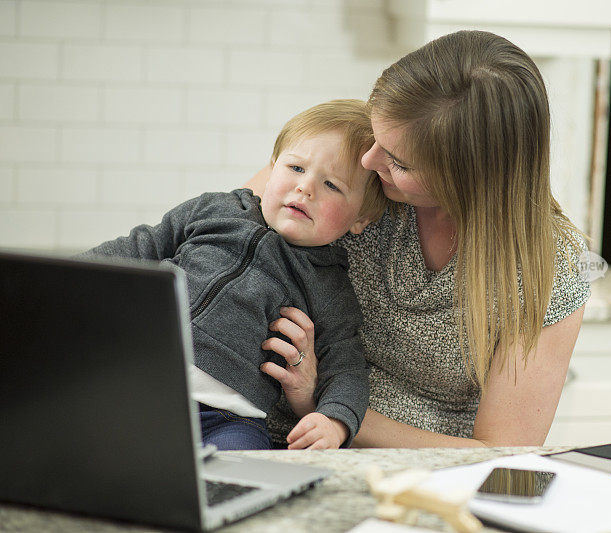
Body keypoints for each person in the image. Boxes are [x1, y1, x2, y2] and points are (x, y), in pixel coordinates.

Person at [245, 30, 591, 449]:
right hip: (263, 436)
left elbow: (504, 453)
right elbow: (221, 246)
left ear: (470, 178)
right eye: (377, 135)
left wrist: (326, 406)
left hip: (418, 480)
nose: (369, 160)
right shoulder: (345, 168)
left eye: (399, 162)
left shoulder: (549, 267)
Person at [82, 100, 386, 451]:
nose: (306, 188)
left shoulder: (330, 286)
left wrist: (334, 421)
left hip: (227, 419)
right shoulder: (216, 208)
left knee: (246, 474)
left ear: (360, 218)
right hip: (137, 378)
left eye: (332, 184)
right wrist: (58, 282)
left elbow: (346, 367)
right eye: (296, 167)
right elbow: (138, 248)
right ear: (272, 168)